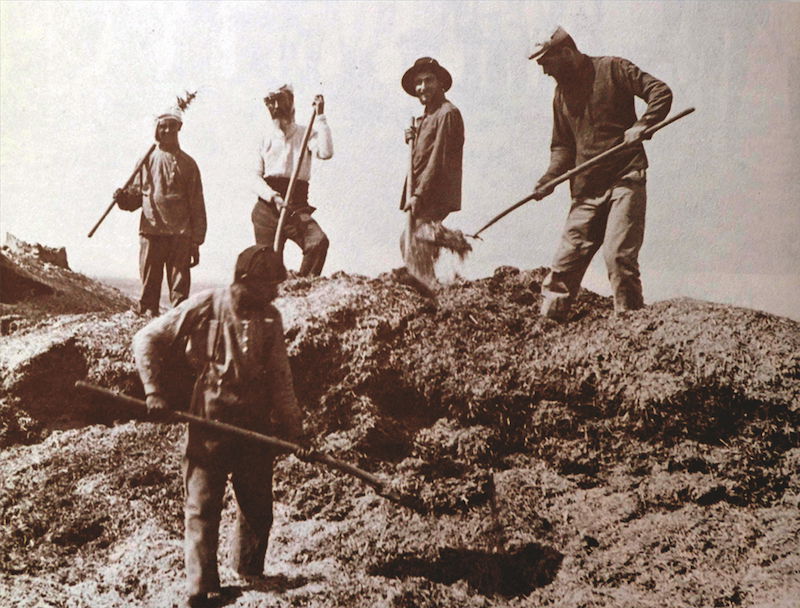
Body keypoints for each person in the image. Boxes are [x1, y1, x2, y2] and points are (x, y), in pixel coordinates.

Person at [132, 245, 304, 608]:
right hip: (208, 419)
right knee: (202, 506)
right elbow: (146, 338)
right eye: (270, 285)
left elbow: (280, 378)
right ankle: (201, 589)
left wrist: (294, 428)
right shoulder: (206, 305)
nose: (275, 292)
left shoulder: (271, 318)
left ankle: (249, 575)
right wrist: (154, 392)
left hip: (254, 427)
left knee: (258, 508)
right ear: (247, 282)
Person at [530, 26, 672, 320]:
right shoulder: (561, 96)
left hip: (625, 178)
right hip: (586, 190)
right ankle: (548, 326)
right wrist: (548, 180)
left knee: (618, 257)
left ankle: (629, 327)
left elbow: (659, 92)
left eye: (547, 63)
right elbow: (562, 148)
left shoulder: (613, 69)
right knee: (563, 266)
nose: (544, 71)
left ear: (566, 53)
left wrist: (642, 125)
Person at [114, 104, 207, 317]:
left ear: (179, 127)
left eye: (171, 126)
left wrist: (196, 241)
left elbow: (197, 204)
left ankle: (178, 326)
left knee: (180, 293)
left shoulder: (188, 164)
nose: (166, 131)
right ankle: (148, 318)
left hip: (180, 235)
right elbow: (136, 198)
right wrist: (123, 198)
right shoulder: (146, 160)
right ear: (156, 129)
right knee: (149, 292)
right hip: (151, 231)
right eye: (162, 127)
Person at [396, 57, 465, 296]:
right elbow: (421, 155)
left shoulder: (447, 114)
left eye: (428, 81)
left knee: (413, 241)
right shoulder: (427, 117)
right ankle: (428, 284)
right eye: (418, 83)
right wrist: (413, 137)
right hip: (422, 190)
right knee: (410, 241)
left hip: (434, 192)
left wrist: (418, 194)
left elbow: (437, 160)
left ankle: (428, 288)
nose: (422, 87)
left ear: (440, 84)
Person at [251, 83, 333, 277]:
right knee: (268, 267)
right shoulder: (263, 138)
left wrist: (320, 117)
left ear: (292, 105)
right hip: (267, 209)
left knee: (318, 242)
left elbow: (326, 152)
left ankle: (302, 286)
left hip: (296, 206)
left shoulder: (307, 134)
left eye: (281, 102)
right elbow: (252, 176)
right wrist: (273, 197)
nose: (276, 108)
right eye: (271, 104)